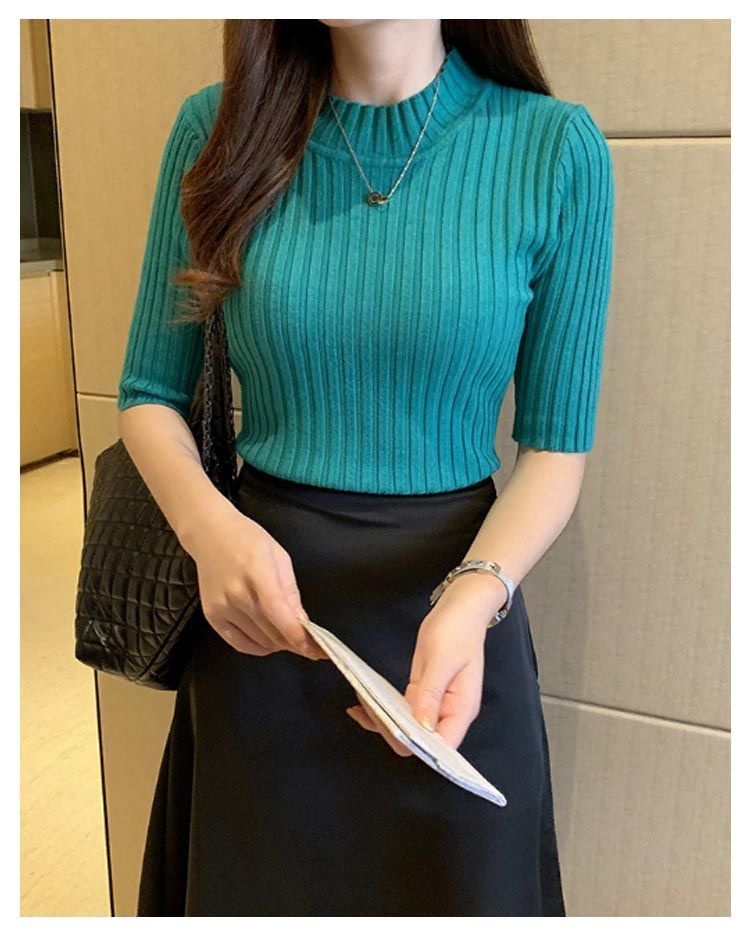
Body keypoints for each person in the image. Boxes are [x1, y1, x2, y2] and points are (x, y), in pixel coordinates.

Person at [116, 18, 614, 916]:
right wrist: (209, 529)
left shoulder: (555, 150)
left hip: (458, 634)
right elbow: (149, 392)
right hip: (261, 626)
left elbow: (554, 452)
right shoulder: (216, 129)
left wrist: (472, 599)